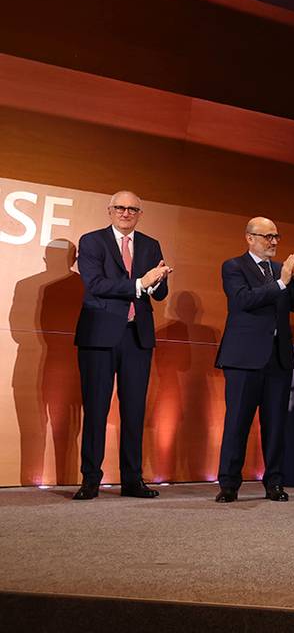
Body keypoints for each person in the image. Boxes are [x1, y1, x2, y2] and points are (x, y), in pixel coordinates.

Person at [73, 191, 172, 500]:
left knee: (134, 411)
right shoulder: (91, 241)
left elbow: (159, 293)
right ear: (110, 210)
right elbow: (96, 285)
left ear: (140, 214)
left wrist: (157, 281)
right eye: (120, 207)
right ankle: (91, 480)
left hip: (137, 337)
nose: (126, 213)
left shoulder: (151, 244)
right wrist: (141, 283)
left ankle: (132, 480)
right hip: (99, 337)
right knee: (96, 409)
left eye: (132, 209)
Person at [213, 217, 294, 503]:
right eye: (267, 237)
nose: (274, 242)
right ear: (250, 238)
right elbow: (243, 300)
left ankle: (275, 483)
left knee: (276, 424)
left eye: (276, 236)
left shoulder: (283, 270)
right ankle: (229, 484)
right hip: (243, 358)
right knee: (237, 423)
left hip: (277, 358)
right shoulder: (233, 266)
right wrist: (282, 282)